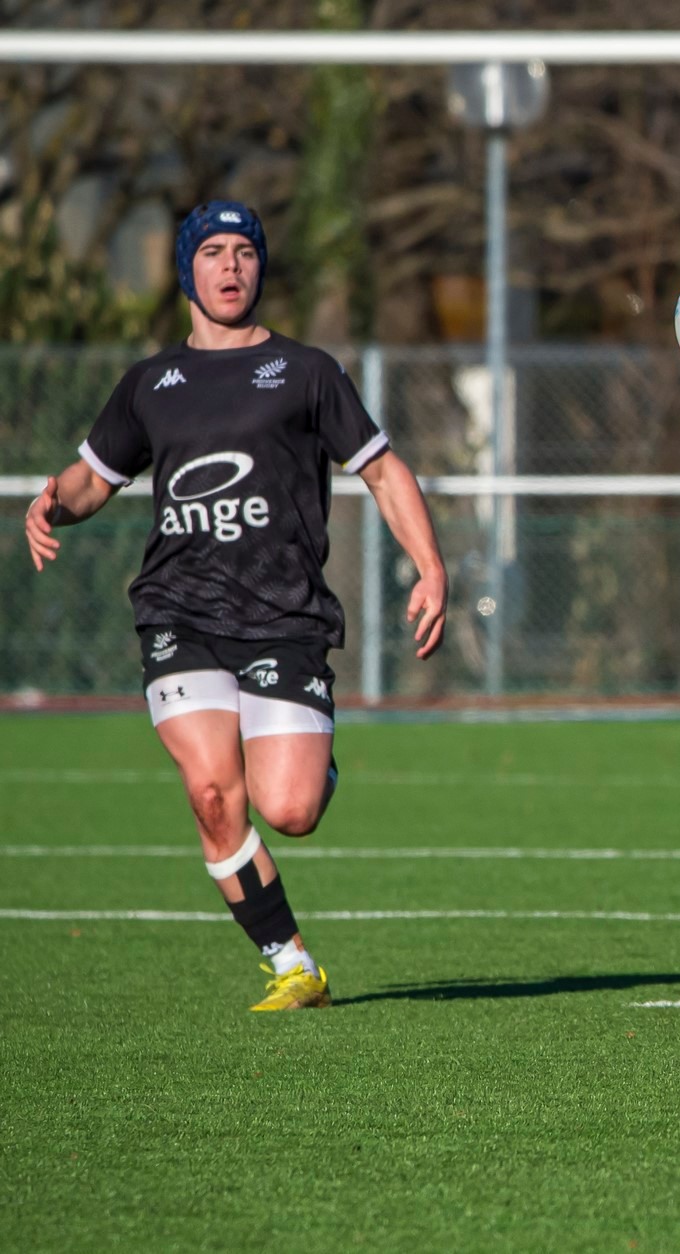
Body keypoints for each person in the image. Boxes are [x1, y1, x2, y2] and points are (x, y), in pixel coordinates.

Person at [22, 201, 448, 1012]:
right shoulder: (150, 383)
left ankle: (312, 755)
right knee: (213, 794)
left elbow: (384, 472)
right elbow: (90, 479)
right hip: (178, 614)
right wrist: (52, 505)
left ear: (261, 268)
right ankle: (293, 962)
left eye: (244, 253)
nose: (229, 267)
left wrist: (430, 568)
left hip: (284, 617)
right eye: (212, 252)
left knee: (288, 809)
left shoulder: (306, 372)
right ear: (188, 269)